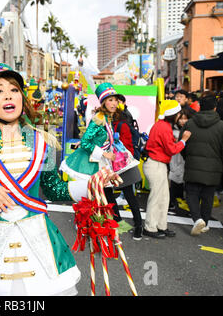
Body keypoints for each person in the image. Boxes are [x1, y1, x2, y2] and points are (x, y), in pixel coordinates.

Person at [0, 62, 121, 296]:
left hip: (39, 243)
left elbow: (53, 189)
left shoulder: (44, 142)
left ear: (22, 96)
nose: (8, 96)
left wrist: (93, 184)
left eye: (13, 89)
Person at [60, 82, 135, 233]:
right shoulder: (98, 119)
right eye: (110, 100)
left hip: (102, 161)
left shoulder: (107, 117)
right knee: (93, 194)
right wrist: (104, 154)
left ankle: (113, 222)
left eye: (115, 100)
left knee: (104, 192)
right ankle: (84, 223)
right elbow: (85, 142)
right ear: (103, 103)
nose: (114, 103)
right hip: (92, 161)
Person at [143, 100, 191, 238]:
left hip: (156, 163)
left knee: (163, 197)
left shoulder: (161, 125)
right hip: (156, 164)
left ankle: (160, 226)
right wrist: (183, 140)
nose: (179, 116)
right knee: (158, 197)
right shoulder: (164, 127)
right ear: (173, 114)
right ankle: (151, 227)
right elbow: (171, 150)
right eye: (178, 113)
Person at [180, 95, 223, 235]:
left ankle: (197, 219)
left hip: (192, 164)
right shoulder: (221, 125)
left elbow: (182, 144)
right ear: (215, 108)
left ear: (200, 106)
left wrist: (189, 158)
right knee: (208, 197)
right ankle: (204, 222)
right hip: (214, 168)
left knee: (191, 194)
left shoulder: (190, 123)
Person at [113, 101, 144, 240]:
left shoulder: (122, 125)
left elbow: (128, 147)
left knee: (129, 196)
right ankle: (117, 222)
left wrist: (120, 159)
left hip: (122, 165)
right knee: (108, 195)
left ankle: (139, 226)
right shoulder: (104, 125)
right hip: (109, 165)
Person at [168, 107, 192, 214]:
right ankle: (172, 202)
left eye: (185, 119)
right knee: (174, 179)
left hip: (185, 159)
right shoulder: (172, 131)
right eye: (181, 119)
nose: (182, 121)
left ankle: (180, 202)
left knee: (183, 181)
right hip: (174, 159)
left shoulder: (190, 131)